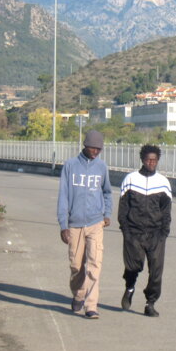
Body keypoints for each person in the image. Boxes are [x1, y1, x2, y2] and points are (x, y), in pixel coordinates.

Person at [57, 130, 112, 319]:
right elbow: (63, 196)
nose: (95, 152)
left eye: (99, 149)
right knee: (76, 266)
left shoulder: (102, 167)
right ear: (84, 145)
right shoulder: (70, 166)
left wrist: (107, 213)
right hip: (74, 224)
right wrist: (63, 224)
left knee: (94, 263)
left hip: (96, 223)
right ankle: (78, 294)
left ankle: (91, 305)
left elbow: (107, 192)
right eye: (92, 148)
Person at [118, 144, 172, 317]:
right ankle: (130, 287)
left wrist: (164, 233)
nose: (151, 163)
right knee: (133, 266)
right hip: (134, 232)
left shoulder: (163, 183)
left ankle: (150, 303)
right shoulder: (131, 179)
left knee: (156, 271)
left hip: (156, 234)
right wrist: (126, 231)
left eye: (154, 160)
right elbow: (123, 209)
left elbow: (166, 211)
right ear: (142, 159)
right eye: (148, 159)